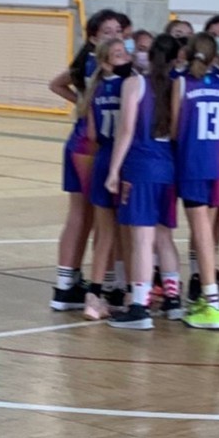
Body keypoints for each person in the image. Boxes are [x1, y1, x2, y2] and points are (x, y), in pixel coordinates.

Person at [106, 34, 183, 330]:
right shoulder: (176, 85)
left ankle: (139, 305)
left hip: (141, 167)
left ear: (150, 56)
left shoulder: (135, 84)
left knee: (142, 240)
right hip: (168, 167)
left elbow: (125, 131)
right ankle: (174, 300)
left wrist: (114, 171)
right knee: (164, 236)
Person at [46, 9, 122, 311]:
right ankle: (106, 285)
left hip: (80, 143)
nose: (115, 35)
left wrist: (81, 102)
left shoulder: (87, 62)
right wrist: (83, 103)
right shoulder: (101, 64)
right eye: (108, 31)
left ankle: (67, 284)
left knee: (83, 216)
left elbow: (57, 83)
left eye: (119, 30)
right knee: (98, 217)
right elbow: (57, 84)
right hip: (90, 146)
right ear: (93, 37)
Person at [173, 33, 219, 330]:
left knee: (202, 233)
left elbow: (172, 127)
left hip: (192, 163)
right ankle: (207, 297)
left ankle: (210, 302)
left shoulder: (182, 83)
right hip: (216, 164)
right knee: (204, 233)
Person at [81, 38, 132, 320]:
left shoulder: (95, 89)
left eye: (125, 53)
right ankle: (129, 293)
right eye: (118, 54)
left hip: (102, 160)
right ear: (105, 61)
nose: (125, 57)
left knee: (104, 236)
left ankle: (94, 296)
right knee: (128, 233)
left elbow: (90, 134)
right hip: (124, 162)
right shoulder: (130, 86)